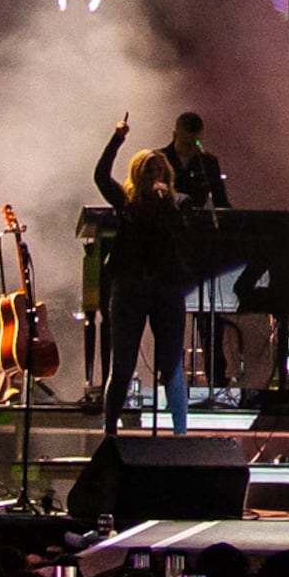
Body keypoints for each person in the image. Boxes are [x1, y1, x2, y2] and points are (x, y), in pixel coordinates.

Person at [95, 112, 196, 439]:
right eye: (149, 170)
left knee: (172, 365)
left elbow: (182, 237)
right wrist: (117, 137)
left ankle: (180, 435)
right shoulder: (127, 202)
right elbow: (100, 176)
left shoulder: (177, 205)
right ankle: (110, 431)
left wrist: (167, 204)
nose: (156, 174)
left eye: (160, 170)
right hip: (130, 288)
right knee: (122, 365)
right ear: (139, 175)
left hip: (166, 290)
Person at [161, 112, 234, 214]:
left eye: (196, 143)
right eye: (186, 143)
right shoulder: (159, 160)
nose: (191, 148)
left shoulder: (208, 163)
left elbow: (220, 200)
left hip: (195, 222)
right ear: (174, 135)